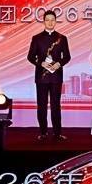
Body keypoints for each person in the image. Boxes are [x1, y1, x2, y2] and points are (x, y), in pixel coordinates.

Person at [27, 9, 71, 140]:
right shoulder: (36, 38)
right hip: (41, 77)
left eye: (52, 20)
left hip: (56, 77)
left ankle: (57, 133)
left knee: (56, 106)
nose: (50, 22)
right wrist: (40, 63)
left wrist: (59, 64)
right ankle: (43, 132)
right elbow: (30, 57)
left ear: (56, 21)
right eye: (47, 20)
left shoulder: (62, 38)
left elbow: (67, 57)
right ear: (44, 22)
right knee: (41, 106)